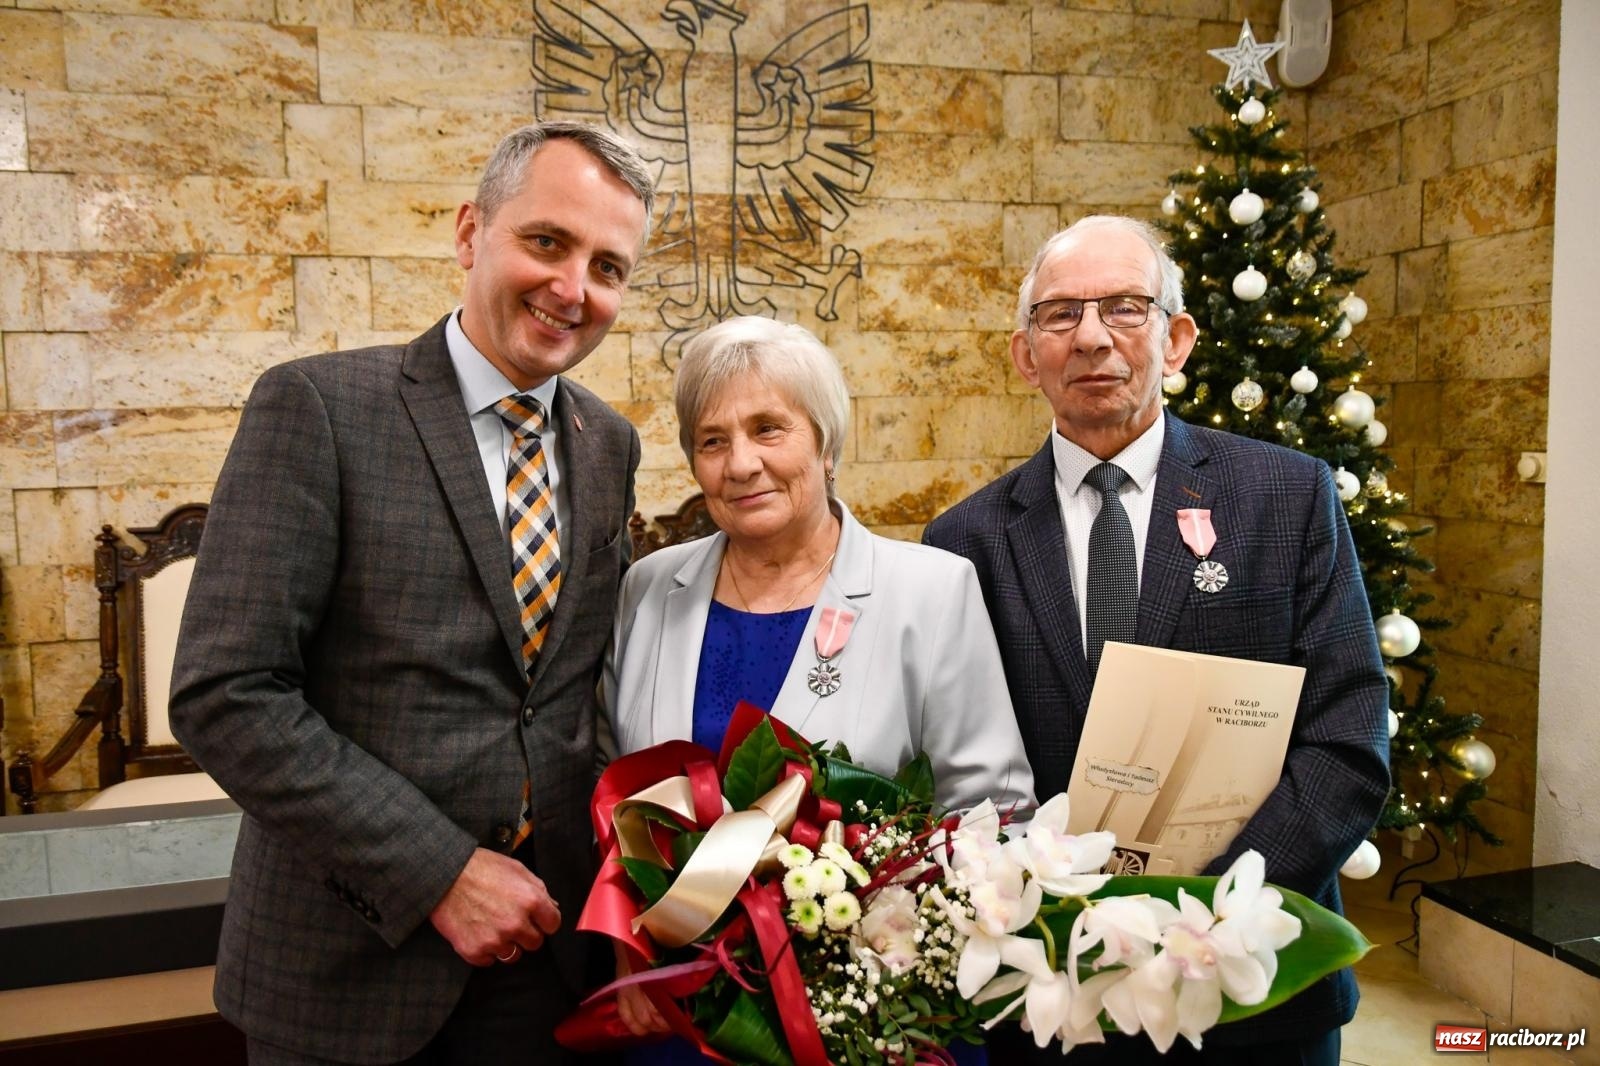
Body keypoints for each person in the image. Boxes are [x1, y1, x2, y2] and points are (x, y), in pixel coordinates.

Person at [169, 121, 654, 1065]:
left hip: (546, 961)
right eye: (547, 242)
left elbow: (565, 696)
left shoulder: (610, 444)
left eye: (608, 267)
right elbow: (226, 692)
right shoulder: (319, 408)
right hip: (350, 970)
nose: (573, 289)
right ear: (471, 232)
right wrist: (439, 874)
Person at [923, 216, 1390, 1065]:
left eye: (1125, 308)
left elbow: (1347, 738)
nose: (1091, 336)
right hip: (1052, 990)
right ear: (1026, 355)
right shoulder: (965, 542)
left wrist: (1210, 910)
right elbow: (955, 767)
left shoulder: (1286, 497)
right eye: (1060, 315)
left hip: (1252, 983)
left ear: (1175, 341)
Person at [603, 315, 1035, 1061]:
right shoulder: (647, 588)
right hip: (673, 1009)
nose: (741, 464)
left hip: (865, 1014)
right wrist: (623, 944)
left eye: (769, 429)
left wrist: (900, 949)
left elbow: (992, 809)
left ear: (826, 444)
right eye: (712, 440)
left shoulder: (930, 590)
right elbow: (611, 790)